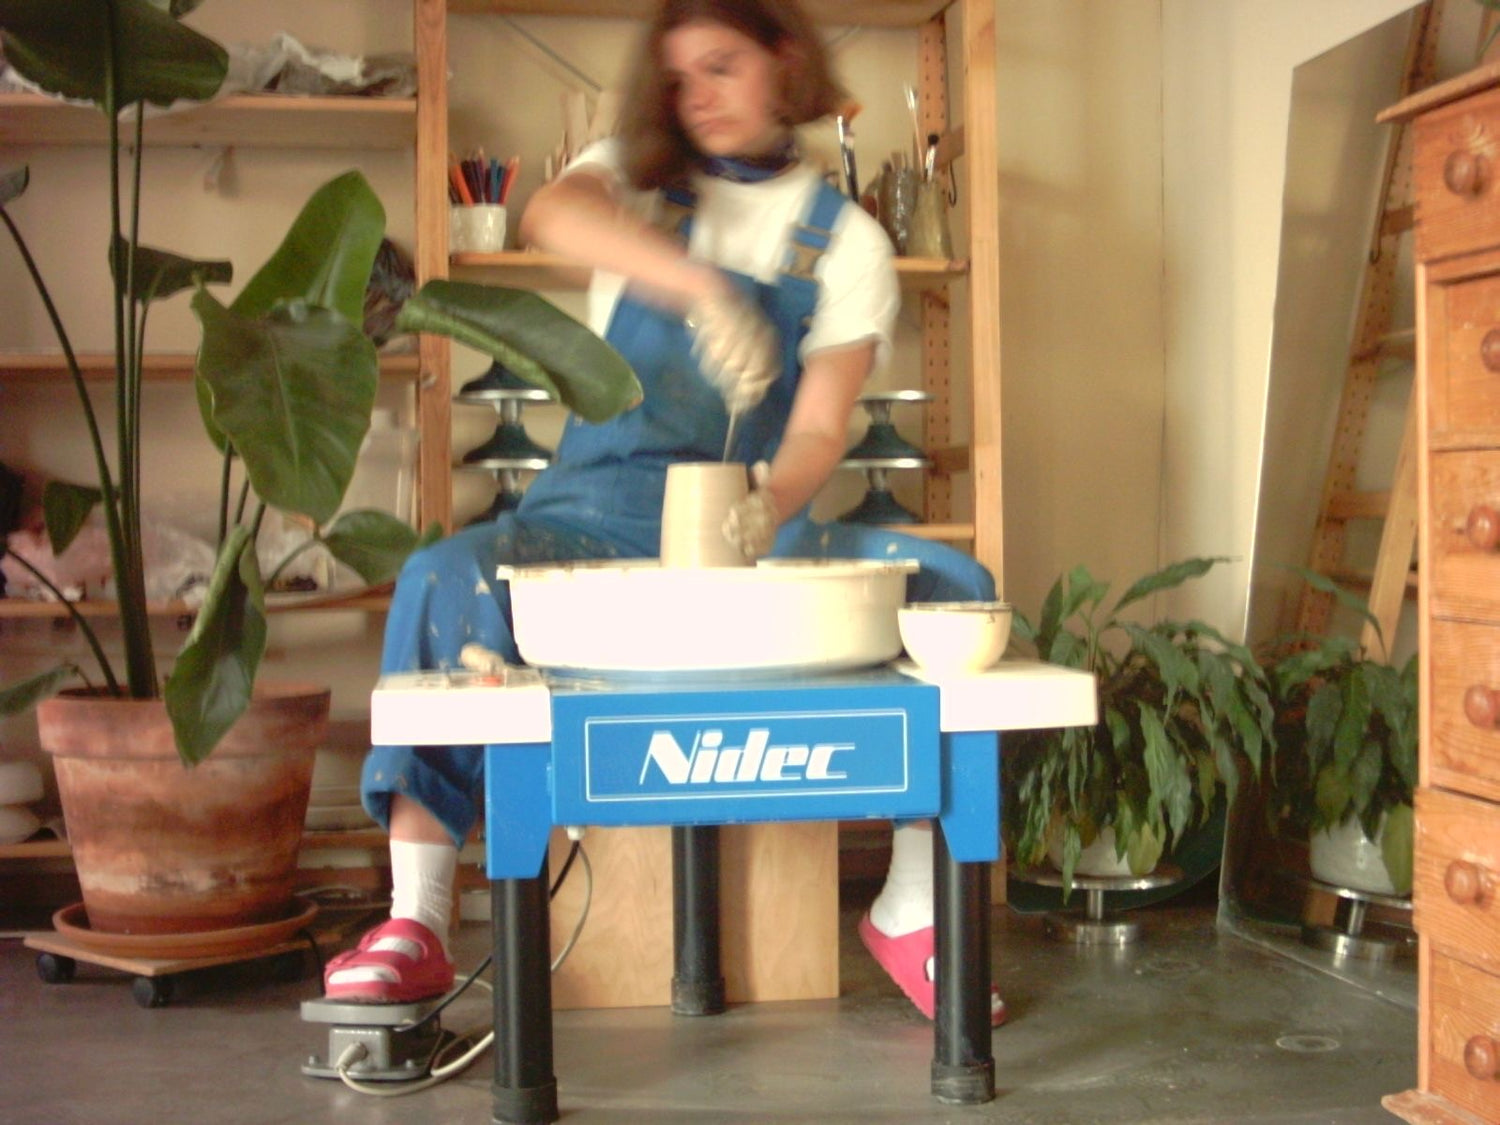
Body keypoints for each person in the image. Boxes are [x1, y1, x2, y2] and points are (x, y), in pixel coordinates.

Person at [324, 0, 1003, 1028]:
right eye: (680, 79)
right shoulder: (639, 177)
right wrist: (699, 289)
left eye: (723, 66)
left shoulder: (849, 243)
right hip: (591, 512)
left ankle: (909, 905)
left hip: (752, 525)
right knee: (440, 576)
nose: (700, 98)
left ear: (784, 58)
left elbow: (822, 427)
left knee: (953, 589)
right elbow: (553, 216)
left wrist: (769, 503)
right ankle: (415, 918)